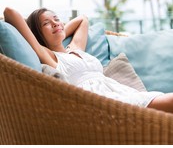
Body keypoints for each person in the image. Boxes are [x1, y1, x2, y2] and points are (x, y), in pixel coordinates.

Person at [3, 7, 173, 114]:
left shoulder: (75, 48)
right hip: (99, 102)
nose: (55, 23)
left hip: (122, 92)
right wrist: (40, 38)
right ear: (37, 34)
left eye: (56, 19)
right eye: (46, 23)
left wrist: (59, 30)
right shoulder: (48, 56)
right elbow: (9, 12)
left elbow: (83, 19)